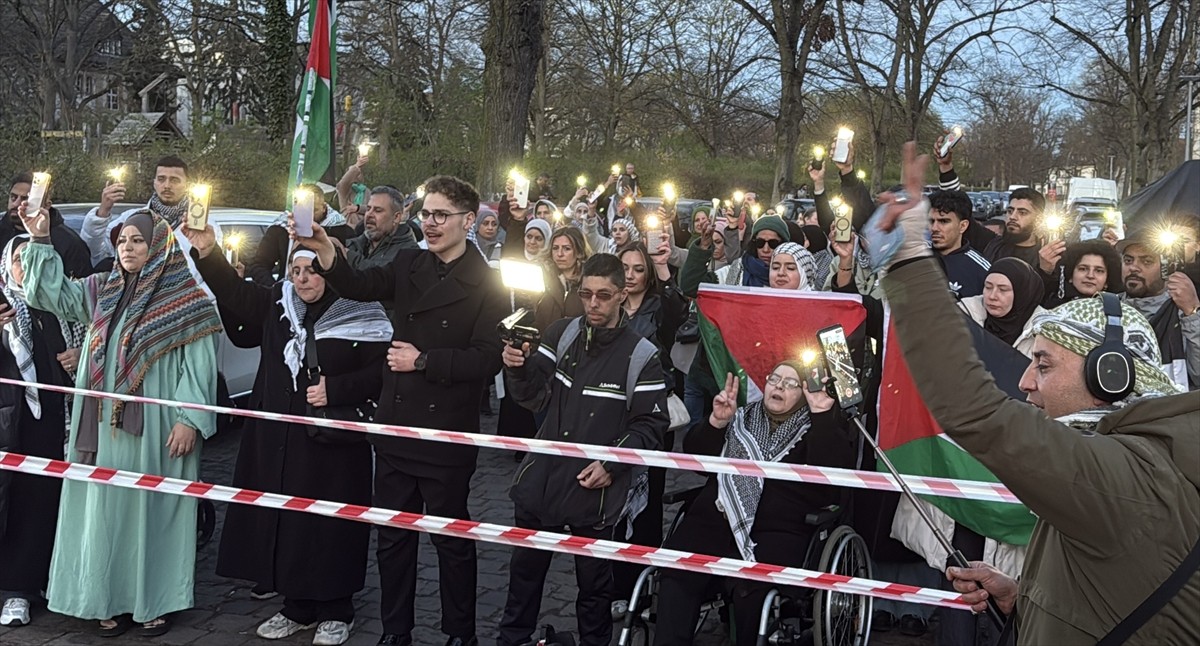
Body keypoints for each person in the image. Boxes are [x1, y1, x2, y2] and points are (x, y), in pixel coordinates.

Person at [875, 142, 1198, 645]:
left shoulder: (1126, 474)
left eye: (1043, 365)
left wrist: (908, 260)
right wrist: (1026, 596)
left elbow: (975, 411)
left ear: (1107, 374)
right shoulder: (1134, 464)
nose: (1025, 381)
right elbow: (1108, 590)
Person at [291, 175, 507, 646]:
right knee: (392, 539)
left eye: (441, 216)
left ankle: (459, 633)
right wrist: (326, 248)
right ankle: (396, 631)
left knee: (451, 540)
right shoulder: (409, 261)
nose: (430, 224)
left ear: (468, 221)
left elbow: (488, 358)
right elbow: (359, 284)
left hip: (446, 429)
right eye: (426, 214)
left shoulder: (489, 281)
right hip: (395, 424)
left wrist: (424, 361)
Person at [18, 207, 221, 638]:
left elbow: (199, 365)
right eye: (123, 241)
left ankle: (154, 601)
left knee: (153, 510)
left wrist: (189, 418)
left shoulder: (187, 300)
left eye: (138, 241)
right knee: (103, 510)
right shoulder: (102, 290)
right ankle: (103, 596)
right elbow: (48, 294)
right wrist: (38, 239)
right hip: (102, 429)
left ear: (159, 246)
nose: (128, 249)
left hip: (158, 427)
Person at [188, 231, 391, 646]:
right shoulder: (279, 305)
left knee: (330, 524)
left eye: (312, 270)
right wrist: (208, 253)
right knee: (287, 517)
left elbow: (382, 373)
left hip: (332, 441)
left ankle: (336, 608)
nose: (302, 279)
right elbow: (235, 293)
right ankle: (296, 604)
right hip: (280, 436)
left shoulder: (362, 312)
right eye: (296, 270)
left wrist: (338, 389)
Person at [497, 253, 669, 646]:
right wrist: (517, 367)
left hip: (596, 490)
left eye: (603, 296)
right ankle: (510, 640)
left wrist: (611, 464)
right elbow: (535, 398)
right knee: (522, 579)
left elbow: (651, 425)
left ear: (622, 296)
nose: (592, 303)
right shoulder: (561, 332)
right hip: (541, 479)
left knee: (594, 591)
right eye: (586, 294)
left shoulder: (643, 355)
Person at [653, 366, 857, 646]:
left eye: (790, 383)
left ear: (803, 393)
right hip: (715, 522)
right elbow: (696, 460)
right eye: (774, 379)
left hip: (776, 531)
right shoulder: (739, 418)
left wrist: (822, 416)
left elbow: (831, 483)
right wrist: (715, 422)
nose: (779, 386)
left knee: (752, 589)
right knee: (676, 575)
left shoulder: (816, 429)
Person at [0, 235, 83, 628]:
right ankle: (16, 589)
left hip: (58, 424)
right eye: (18, 259)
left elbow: (92, 355)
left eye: (31, 259)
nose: (24, 266)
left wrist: (80, 358)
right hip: (13, 428)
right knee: (17, 506)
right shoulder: (2, 307)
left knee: (50, 504)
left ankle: (47, 581)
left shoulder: (59, 307)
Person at [610, 241, 686, 616]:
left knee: (647, 502)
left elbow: (681, 315)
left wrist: (664, 268)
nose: (630, 274)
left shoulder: (661, 305)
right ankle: (615, 585)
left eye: (638, 268)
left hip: (653, 412)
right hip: (613, 408)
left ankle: (645, 587)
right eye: (625, 266)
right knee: (612, 499)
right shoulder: (607, 303)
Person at [1118, 232, 1200, 388]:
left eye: (1147, 261)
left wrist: (1192, 313)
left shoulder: (1183, 312)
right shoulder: (1104, 308)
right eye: (1128, 260)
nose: (1134, 268)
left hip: (1169, 408)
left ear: (1167, 268)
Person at [246, 186, 356, 286]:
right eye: (304, 210)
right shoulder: (280, 229)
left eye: (314, 210)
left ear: (324, 207)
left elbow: (353, 268)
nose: (309, 216)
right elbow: (259, 265)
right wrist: (275, 289)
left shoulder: (342, 230)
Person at [2, 173, 91, 277]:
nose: (16, 204)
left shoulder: (68, 242)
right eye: (13, 197)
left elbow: (80, 289)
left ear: (47, 205)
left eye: (25, 199)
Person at [928, 189, 991, 298]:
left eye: (943, 221)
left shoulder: (982, 270)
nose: (934, 228)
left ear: (963, 226)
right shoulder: (915, 258)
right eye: (931, 221)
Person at [345, 186, 419, 270]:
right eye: (368, 209)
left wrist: (351, 258)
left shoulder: (409, 252)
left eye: (378, 210)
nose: (369, 214)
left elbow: (382, 279)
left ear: (396, 217)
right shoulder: (352, 245)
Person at [534, 227, 590, 331]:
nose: (559, 254)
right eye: (555, 248)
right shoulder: (541, 278)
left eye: (566, 248)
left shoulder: (589, 283)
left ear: (579, 252)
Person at [1042, 239, 1123, 308]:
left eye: (1099, 271)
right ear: (1070, 275)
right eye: (1083, 269)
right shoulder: (1049, 305)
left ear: (1107, 281)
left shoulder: (1119, 308)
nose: (1090, 275)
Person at [982, 187, 1046, 271]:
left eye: (1022, 213)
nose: (1012, 217)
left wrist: (1045, 271)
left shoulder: (1044, 255)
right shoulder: (994, 245)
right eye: (1010, 211)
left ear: (1039, 219)